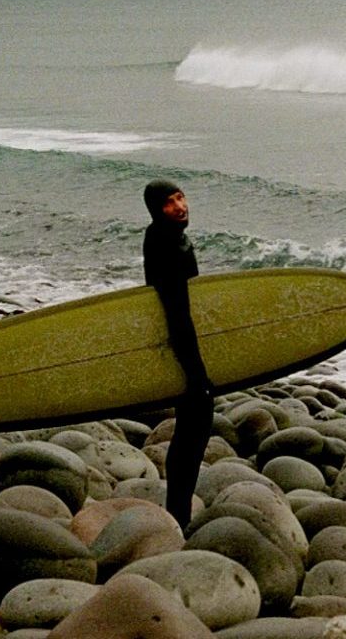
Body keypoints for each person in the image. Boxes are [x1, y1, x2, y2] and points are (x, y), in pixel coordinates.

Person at [142, 177, 213, 527]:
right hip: (182, 346)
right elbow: (176, 312)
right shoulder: (164, 243)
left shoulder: (171, 237)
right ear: (157, 210)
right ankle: (178, 515)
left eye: (181, 197)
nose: (180, 206)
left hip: (184, 344)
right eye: (170, 202)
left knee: (193, 428)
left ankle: (178, 511)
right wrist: (195, 370)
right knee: (194, 428)